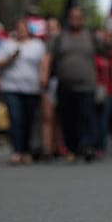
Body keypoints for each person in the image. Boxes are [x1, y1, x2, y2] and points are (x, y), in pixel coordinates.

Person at [41, 7, 98, 162]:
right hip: (65, 85)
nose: (75, 20)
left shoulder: (91, 37)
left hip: (87, 85)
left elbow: (106, 52)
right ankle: (72, 149)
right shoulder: (59, 38)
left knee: (86, 116)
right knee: (68, 118)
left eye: (78, 17)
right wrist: (44, 76)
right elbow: (48, 57)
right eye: (73, 17)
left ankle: (87, 147)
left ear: (83, 20)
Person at [0, 19, 45, 165]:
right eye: (19, 28)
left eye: (24, 28)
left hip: (31, 88)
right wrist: (11, 58)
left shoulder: (37, 45)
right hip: (11, 87)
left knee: (28, 120)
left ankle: (26, 150)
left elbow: (43, 63)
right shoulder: (7, 44)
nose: (21, 31)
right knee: (16, 119)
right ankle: (17, 151)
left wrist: (43, 79)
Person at [94, 28, 112, 158]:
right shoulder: (94, 52)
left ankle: (101, 146)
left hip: (108, 90)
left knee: (103, 119)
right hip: (93, 89)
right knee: (93, 118)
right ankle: (91, 144)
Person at [40, 16, 63, 160]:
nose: (51, 31)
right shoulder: (41, 44)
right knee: (48, 117)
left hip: (62, 81)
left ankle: (57, 146)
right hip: (48, 83)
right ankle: (47, 148)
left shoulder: (64, 43)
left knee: (59, 117)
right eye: (49, 27)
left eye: (53, 28)